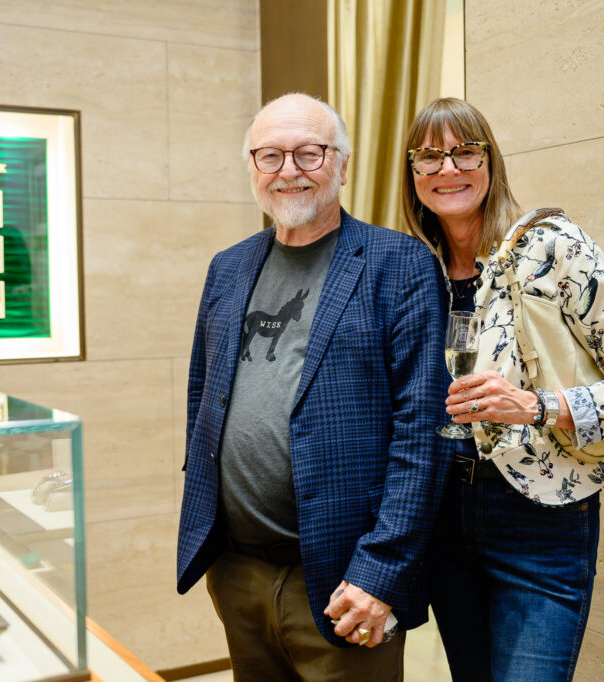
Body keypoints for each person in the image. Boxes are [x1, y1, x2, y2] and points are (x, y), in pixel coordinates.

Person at [401, 97, 604, 681]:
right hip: (444, 519)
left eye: (464, 152)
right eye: (429, 157)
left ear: (490, 161)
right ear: (412, 173)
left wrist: (537, 406)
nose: (447, 170)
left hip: (540, 523)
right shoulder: (409, 269)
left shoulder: (552, 248)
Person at [177, 93, 450, 680]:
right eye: (270, 156)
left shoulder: (398, 264)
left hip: (341, 581)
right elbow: (204, 397)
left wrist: (380, 573)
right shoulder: (228, 266)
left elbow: (423, 434)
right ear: (252, 167)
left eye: (309, 153)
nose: (289, 171)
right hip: (238, 572)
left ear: (343, 166)